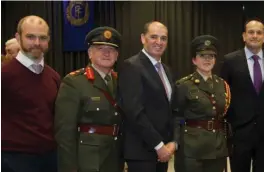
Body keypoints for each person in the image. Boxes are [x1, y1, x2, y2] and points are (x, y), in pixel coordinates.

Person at [54, 26, 124, 172]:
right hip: (87, 160)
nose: (106, 53)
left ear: (117, 55)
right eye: (100, 48)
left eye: (111, 50)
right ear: (90, 53)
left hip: (114, 157)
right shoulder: (74, 82)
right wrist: (69, 168)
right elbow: (65, 132)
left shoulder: (121, 82)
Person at [220, 18, 264, 171]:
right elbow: (223, 94)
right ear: (244, 36)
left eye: (259, 32)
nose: (254, 36)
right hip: (239, 135)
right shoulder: (230, 61)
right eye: (251, 32)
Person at [1, 15, 60, 172]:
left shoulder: (53, 77)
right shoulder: (4, 75)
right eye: (30, 37)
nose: (37, 43)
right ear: (17, 37)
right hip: (14, 159)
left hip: (50, 158)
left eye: (42, 38)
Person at [118, 21, 177, 172]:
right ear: (143, 38)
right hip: (142, 151)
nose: (159, 42)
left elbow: (171, 110)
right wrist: (158, 145)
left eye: (163, 38)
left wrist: (173, 142)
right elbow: (134, 111)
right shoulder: (132, 66)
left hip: (163, 150)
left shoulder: (166, 70)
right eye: (154, 37)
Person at [173, 35, 231, 172]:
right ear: (194, 60)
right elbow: (176, 116)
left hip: (217, 147)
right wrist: (175, 142)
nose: (207, 59)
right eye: (202, 55)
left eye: (211, 56)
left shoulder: (222, 85)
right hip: (192, 148)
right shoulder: (184, 85)